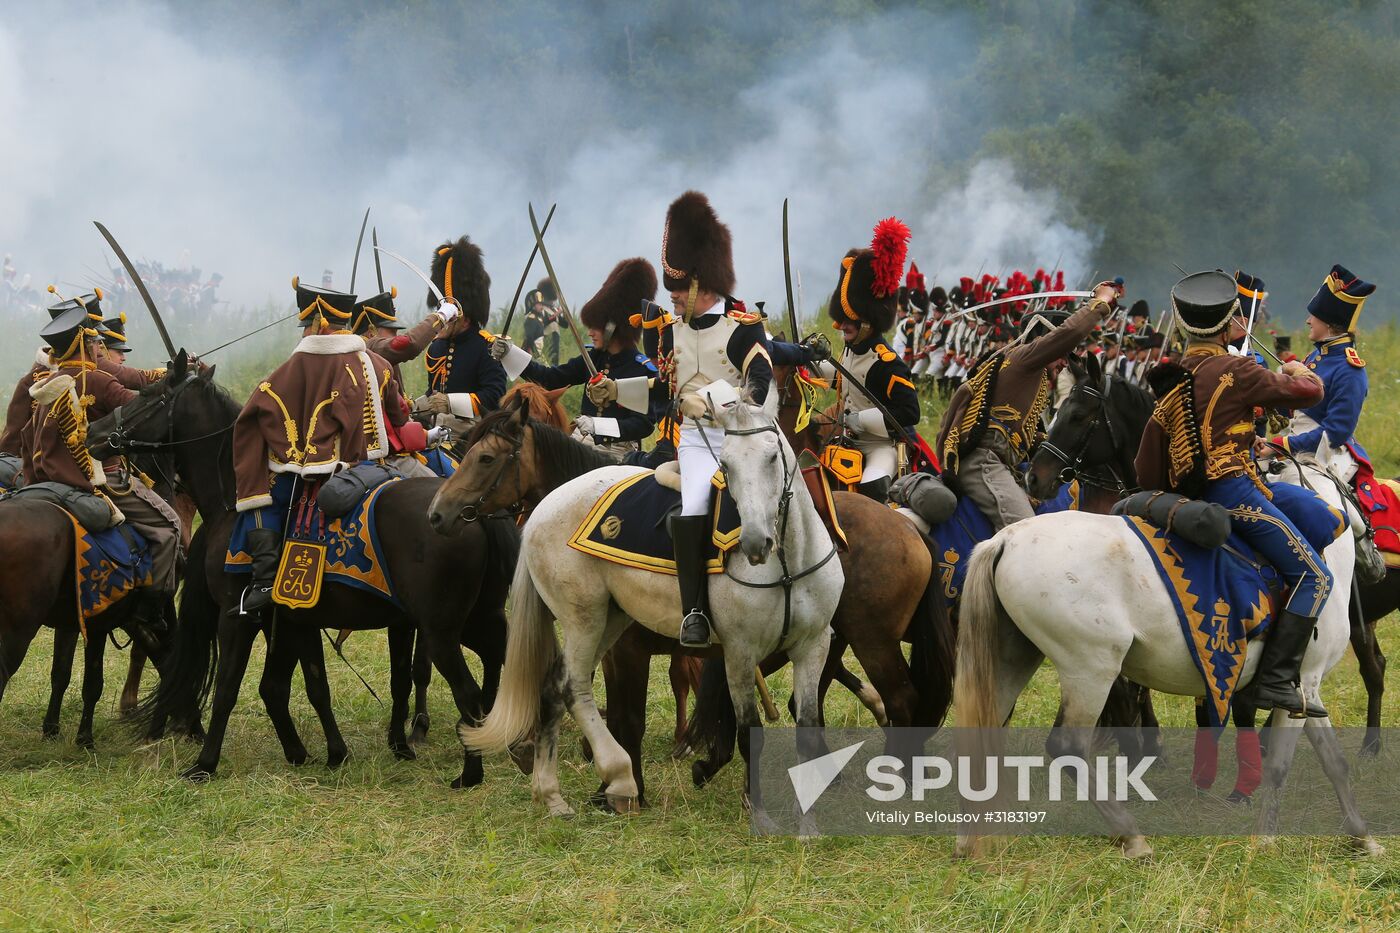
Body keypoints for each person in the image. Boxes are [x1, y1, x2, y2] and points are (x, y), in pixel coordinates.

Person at [1135, 270, 1333, 718]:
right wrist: (1296, 368)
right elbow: (1311, 392)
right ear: (1229, 325)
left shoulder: (1173, 376)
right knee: (1316, 577)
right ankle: (1277, 680)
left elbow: (1145, 467)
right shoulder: (1239, 368)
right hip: (1237, 492)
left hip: (1200, 494)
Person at [587, 191, 772, 648]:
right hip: (694, 442)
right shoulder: (667, 331)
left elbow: (760, 386)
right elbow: (663, 392)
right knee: (693, 506)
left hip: (743, 437)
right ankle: (694, 610)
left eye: (677, 290)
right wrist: (618, 391)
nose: (669, 298)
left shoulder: (742, 326)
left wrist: (709, 403)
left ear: (702, 283)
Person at [230, 279, 405, 612]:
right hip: (371, 468)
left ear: (318, 321)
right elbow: (398, 414)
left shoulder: (292, 368)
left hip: (320, 471)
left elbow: (254, 416)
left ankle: (265, 580)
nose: (303, 332)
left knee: (263, 497)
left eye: (305, 324)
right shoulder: (379, 365)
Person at [19, 302, 182, 640]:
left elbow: (25, 439)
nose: (99, 348)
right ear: (82, 343)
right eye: (93, 342)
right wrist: (174, 382)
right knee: (170, 528)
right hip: (101, 479)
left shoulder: (46, 382)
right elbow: (141, 412)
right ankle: (151, 610)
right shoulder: (97, 379)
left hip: (45, 481)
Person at [938, 281, 1120, 530]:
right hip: (984, 463)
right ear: (1045, 343)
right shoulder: (1027, 357)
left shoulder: (1031, 377)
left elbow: (1031, 440)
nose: (1066, 364)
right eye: (1063, 355)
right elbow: (1071, 333)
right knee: (1028, 533)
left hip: (1003, 464)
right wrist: (1101, 303)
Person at [771, 219, 922, 501]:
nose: (841, 327)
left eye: (849, 321)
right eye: (841, 321)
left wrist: (858, 420)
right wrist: (805, 359)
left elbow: (909, 413)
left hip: (879, 446)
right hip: (845, 438)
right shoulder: (851, 350)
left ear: (870, 319)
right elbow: (840, 376)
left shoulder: (888, 364)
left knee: (872, 488)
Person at [492, 258, 664, 462]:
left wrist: (598, 426)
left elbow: (643, 424)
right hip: (581, 443)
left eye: (595, 326)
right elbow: (550, 378)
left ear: (612, 326)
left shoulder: (640, 368)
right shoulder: (593, 357)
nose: (589, 333)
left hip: (618, 452)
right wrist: (510, 353)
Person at [1273, 265, 1375, 485]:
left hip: (1326, 456)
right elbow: (1295, 409)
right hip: (1295, 446)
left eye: (1314, 316)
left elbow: (1336, 432)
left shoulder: (1350, 370)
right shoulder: (1315, 357)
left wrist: (1282, 445)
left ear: (1328, 322)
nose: (1308, 320)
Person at [352, 287, 458, 477]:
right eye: (390, 331)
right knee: (434, 487)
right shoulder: (369, 347)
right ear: (371, 331)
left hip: (398, 439)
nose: (395, 336)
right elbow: (408, 344)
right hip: (382, 453)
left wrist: (425, 436)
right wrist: (441, 316)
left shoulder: (379, 354)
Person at [418, 237, 507, 434]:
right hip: (437, 430)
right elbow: (434, 393)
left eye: (446, 315)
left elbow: (494, 395)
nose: (439, 319)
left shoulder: (486, 348)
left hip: (474, 432)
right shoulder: (436, 346)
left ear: (463, 317)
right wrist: (417, 405)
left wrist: (450, 403)